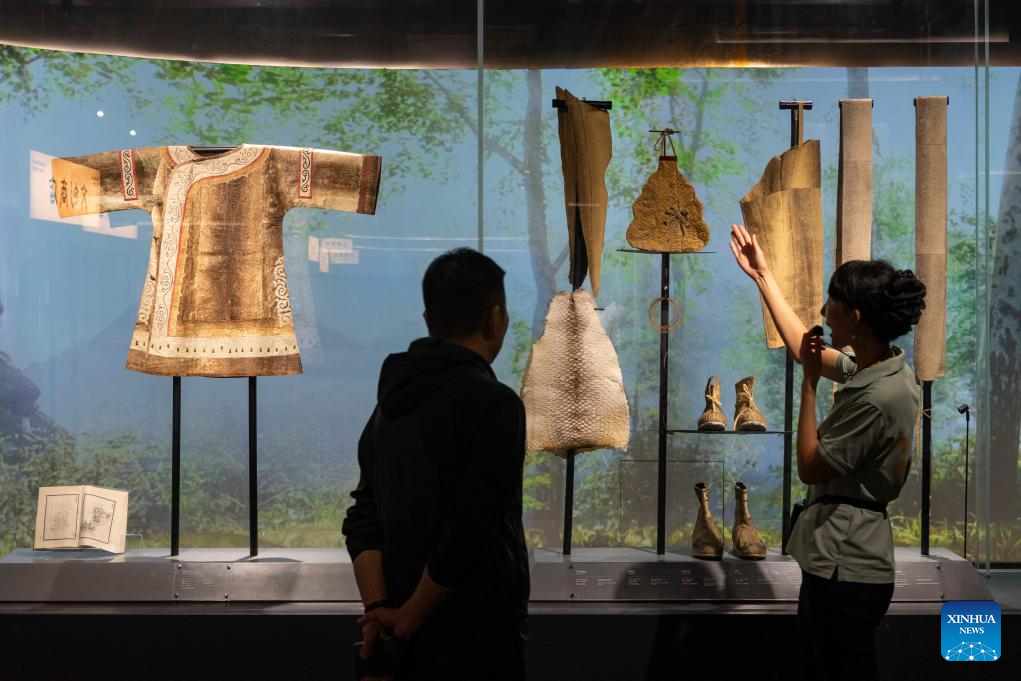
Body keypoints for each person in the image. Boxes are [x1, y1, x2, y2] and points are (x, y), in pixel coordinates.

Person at [729, 224, 927, 681]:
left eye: (831, 301)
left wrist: (809, 388)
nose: (823, 311)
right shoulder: (883, 370)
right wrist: (763, 276)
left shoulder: (878, 396)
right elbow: (806, 348)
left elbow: (810, 466)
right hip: (844, 562)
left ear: (854, 317)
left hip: (847, 565)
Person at [342, 248, 529, 681]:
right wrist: (411, 615)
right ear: (495, 319)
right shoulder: (496, 404)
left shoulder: (390, 403)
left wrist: (380, 611)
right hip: (478, 638)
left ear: (428, 320)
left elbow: (363, 514)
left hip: (401, 641)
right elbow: (471, 528)